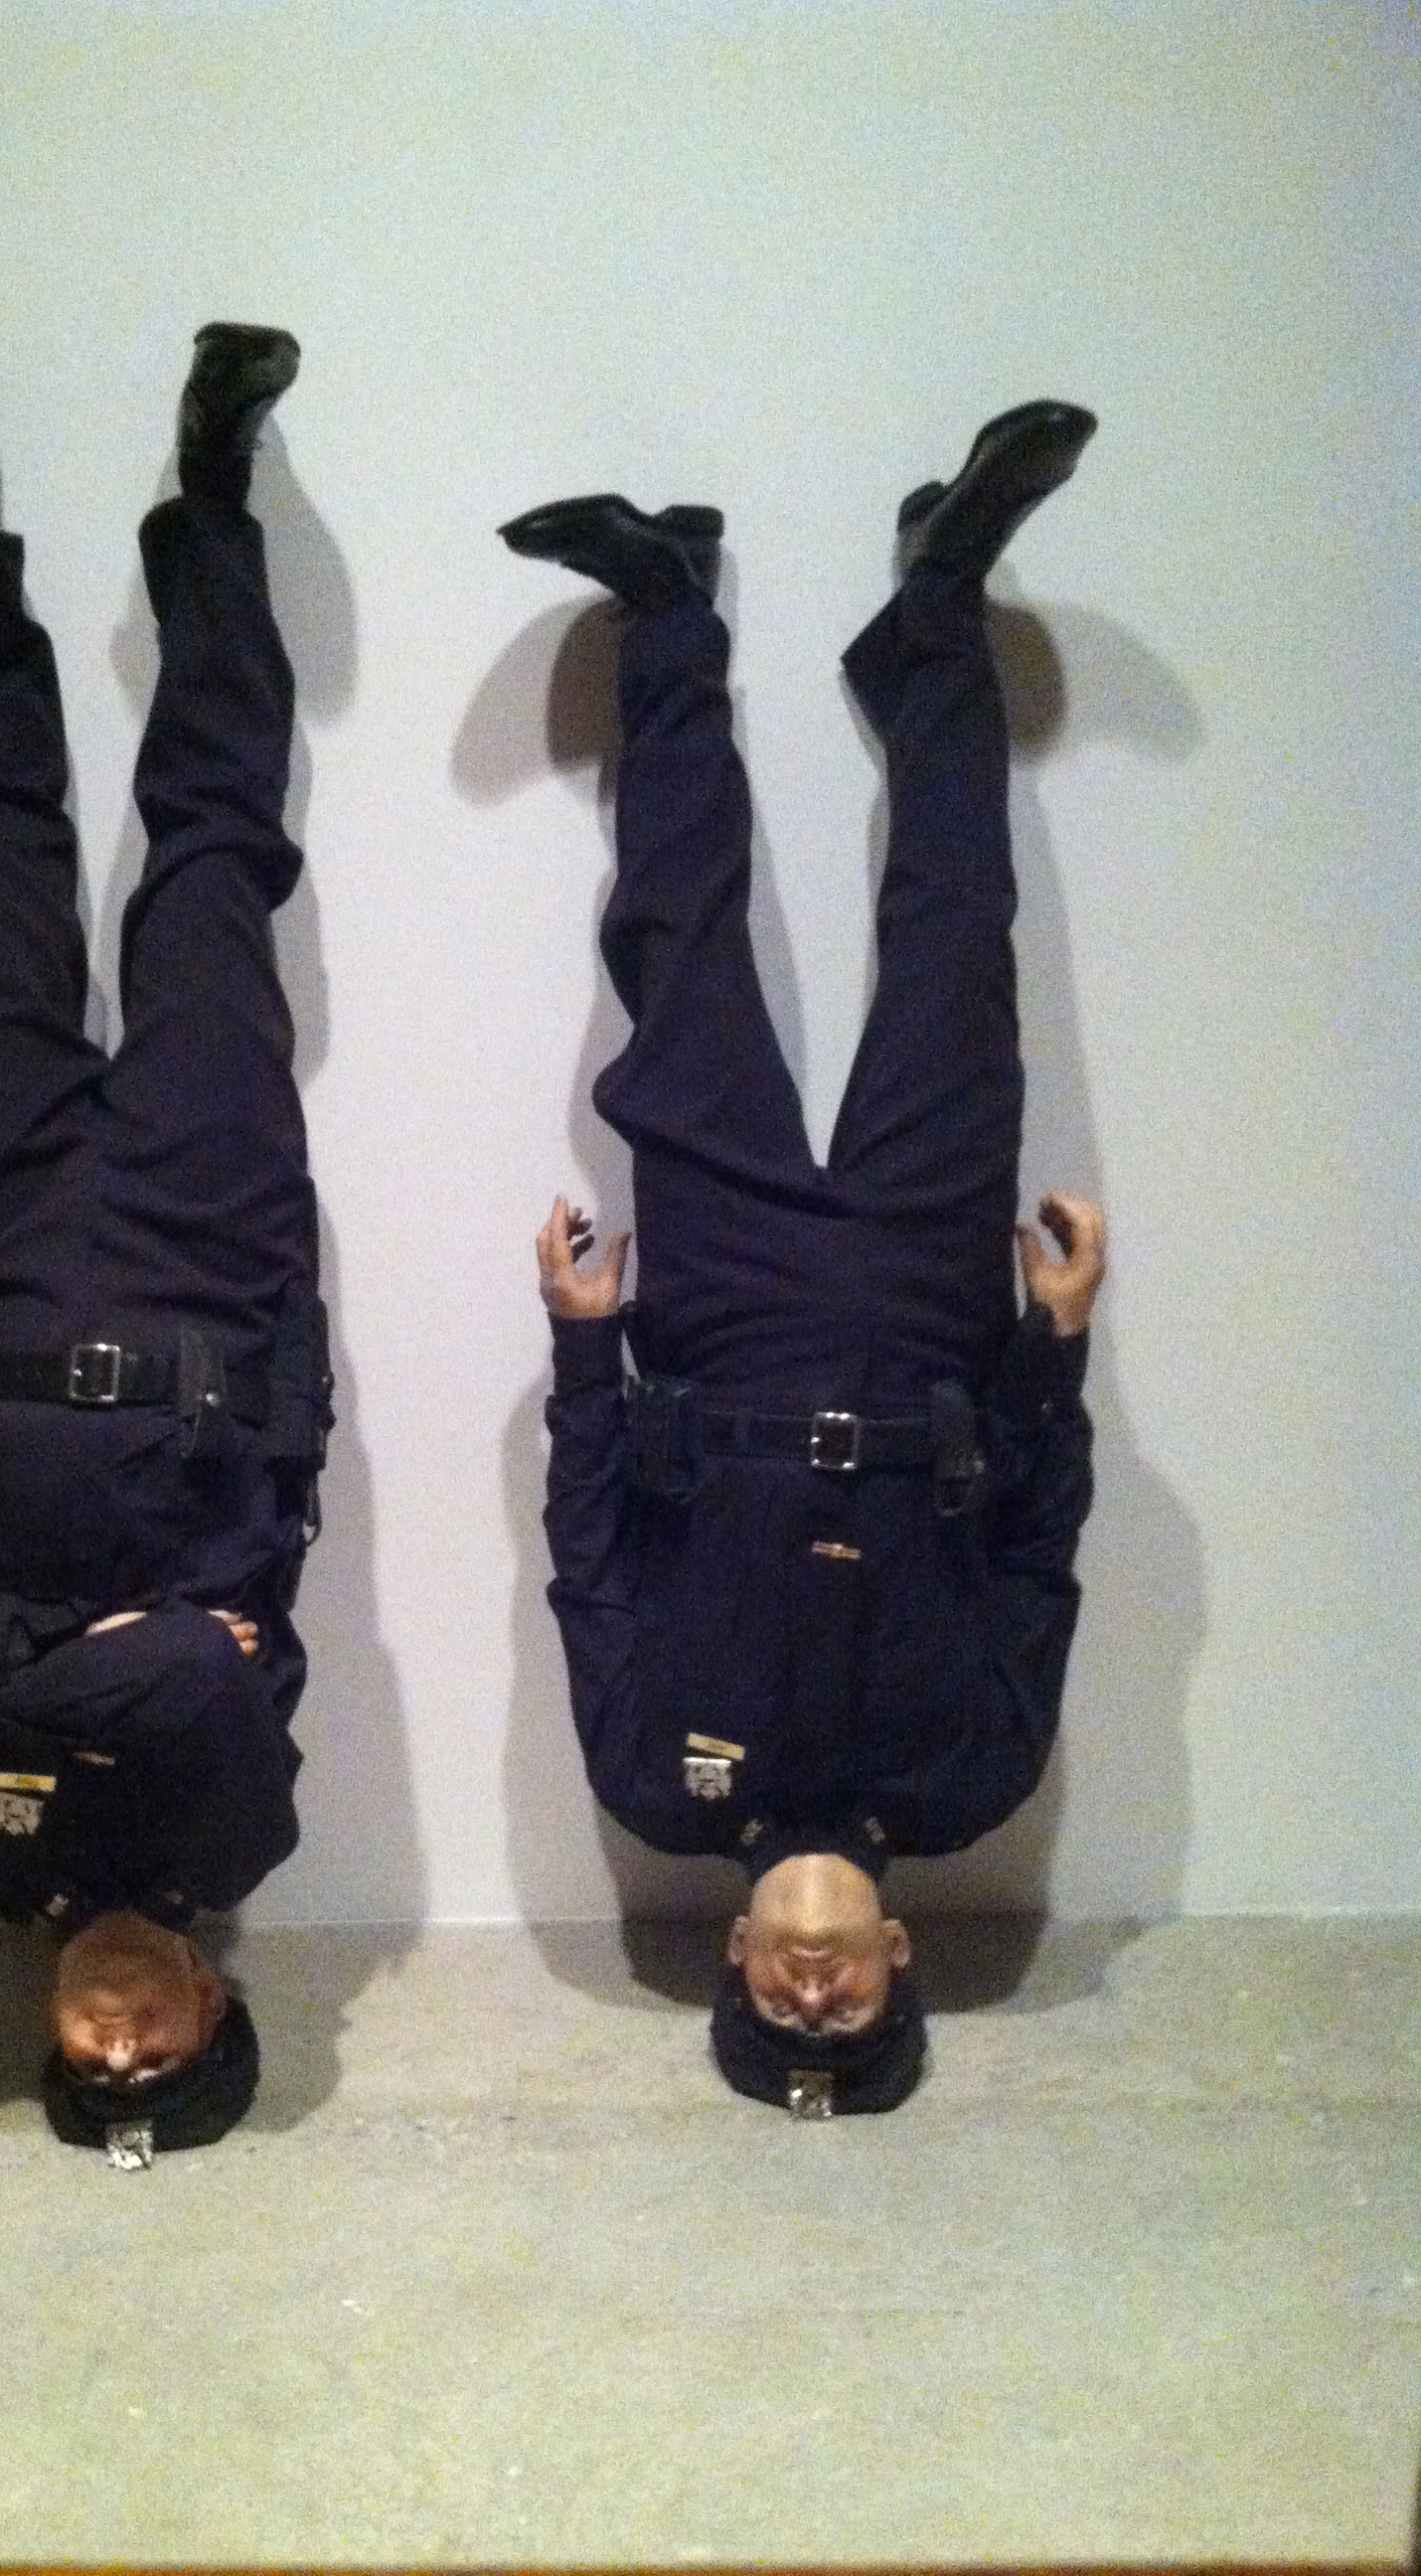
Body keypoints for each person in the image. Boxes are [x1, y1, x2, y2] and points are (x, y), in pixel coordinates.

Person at [502, 404, 1107, 2116]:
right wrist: (1054, 1346)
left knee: (679, 953)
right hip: (934, 1311)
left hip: (720, 1315)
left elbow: (590, 1553)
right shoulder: (973, 1780)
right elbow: (1037, 1546)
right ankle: (940, 605)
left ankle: (665, 610)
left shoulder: (654, 1783)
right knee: (956, 947)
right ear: (902, 1961)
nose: (817, 1988)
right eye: (848, 2011)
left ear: (735, 1961)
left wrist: (585, 1346)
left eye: (784, 2006)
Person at [0, 322, 333, 2160]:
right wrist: (7, 1690)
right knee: (213, 866)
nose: (115, 2035)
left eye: (90, 2064)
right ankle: (216, 490)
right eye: (159, 2052)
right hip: (206, 1272)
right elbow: (184, 1677)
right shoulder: (229, 1839)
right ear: (215, 2005)